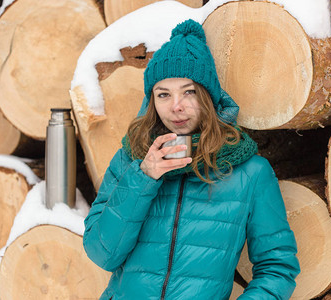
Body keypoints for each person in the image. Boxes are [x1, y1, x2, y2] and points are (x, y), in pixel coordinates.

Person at [83, 19, 300, 300]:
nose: (176, 106)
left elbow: (277, 268)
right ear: (152, 101)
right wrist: (143, 178)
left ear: (208, 96)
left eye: (189, 92)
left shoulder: (250, 172)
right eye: (163, 94)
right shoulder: (131, 159)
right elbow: (102, 254)